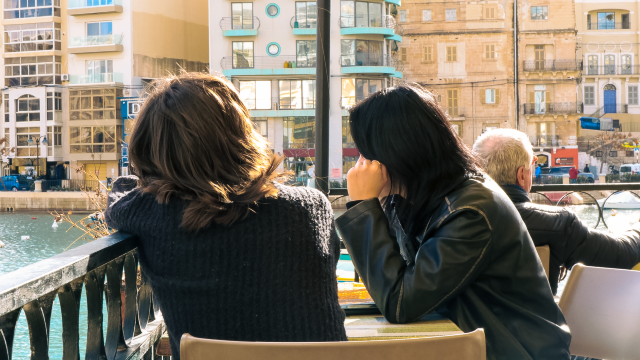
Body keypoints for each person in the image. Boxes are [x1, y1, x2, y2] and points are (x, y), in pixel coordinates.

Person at [104, 73, 347, 359]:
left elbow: (120, 198)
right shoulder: (312, 206)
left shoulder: (151, 214)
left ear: (150, 150)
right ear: (242, 134)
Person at [335, 84, 570, 360]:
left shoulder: (471, 211)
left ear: (394, 152)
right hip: (476, 346)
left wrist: (364, 207)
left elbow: (400, 304)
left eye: (366, 154)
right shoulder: (428, 196)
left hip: (517, 352)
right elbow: (401, 284)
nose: (362, 165)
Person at [473, 129, 640, 294]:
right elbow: (621, 256)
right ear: (521, 175)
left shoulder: (454, 218)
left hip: (466, 321)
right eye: (533, 163)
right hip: (536, 320)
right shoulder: (558, 224)